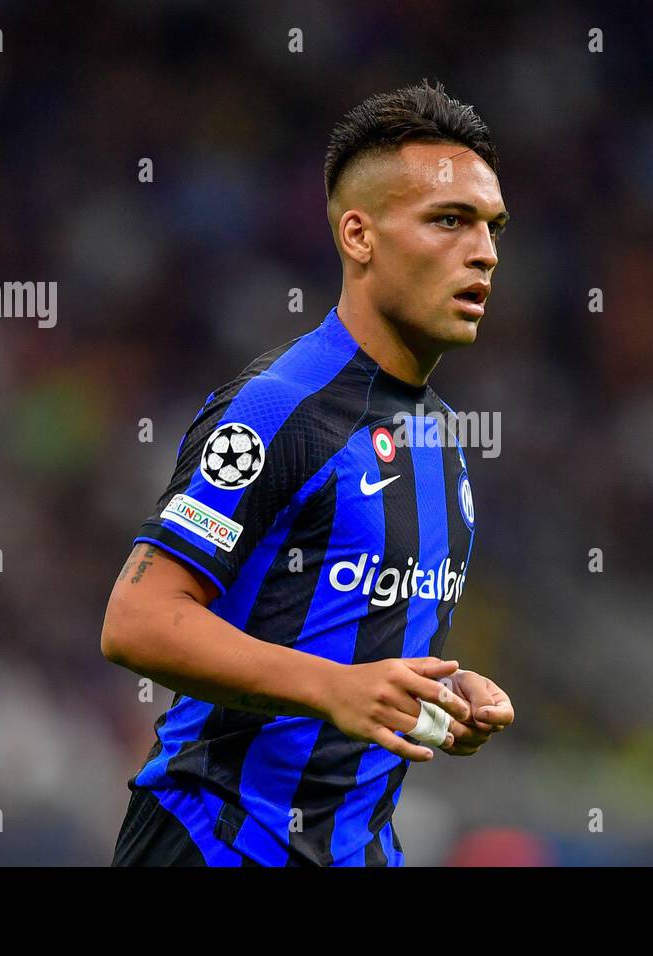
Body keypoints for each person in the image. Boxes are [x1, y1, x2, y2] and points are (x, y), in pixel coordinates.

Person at [102, 79, 515, 866]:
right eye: (449, 221)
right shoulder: (280, 409)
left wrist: (437, 702)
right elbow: (139, 620)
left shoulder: (444, 437)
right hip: (215, 839)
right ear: (359, 236)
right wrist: (336, 689)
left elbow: (347, 649)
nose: (485, 251)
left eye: (492, 227)